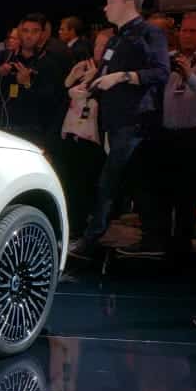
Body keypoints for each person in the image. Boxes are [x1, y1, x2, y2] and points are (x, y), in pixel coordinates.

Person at [68, 0, 171, 261]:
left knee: (110, 181)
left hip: (135, 121)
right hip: (112, 121)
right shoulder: (115, 39)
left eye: (110, 2)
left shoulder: (150, 33)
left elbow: (161, 72)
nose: (105, 8)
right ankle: (153, 238)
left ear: (128, 3)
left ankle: (91, 239)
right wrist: (86, 88)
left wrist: (123, 77)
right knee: (133, 181)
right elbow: (103, 75)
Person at [120, 12, 196, 258]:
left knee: (186, 194)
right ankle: (156, 239)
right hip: (165, 133)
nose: (187, 35)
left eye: (193, 31)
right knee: (157, 189)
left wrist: (190, 76)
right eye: (183, 30)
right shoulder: (169, 57)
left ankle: (181, 245)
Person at [57, 28, 116, 237]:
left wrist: (94, 83)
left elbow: (107, 105)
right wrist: (70, 80)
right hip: (71, 136)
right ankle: (71, 229)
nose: (99, 49)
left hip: (96, 141)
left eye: (104, 45)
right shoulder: (84, 67)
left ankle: (85, 231)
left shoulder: (113, 73)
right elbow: (63, 98)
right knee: (70, 184)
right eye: (97, 44)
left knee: (87, 187)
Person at [0, 14, 66, 147]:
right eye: (25, 31)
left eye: (35, 31)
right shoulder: (7, 57)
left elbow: (53, 100)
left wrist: (28, 83)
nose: (29, 35)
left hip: (34, 130)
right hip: (4, 125)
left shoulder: (50, 62)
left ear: (42, 34)